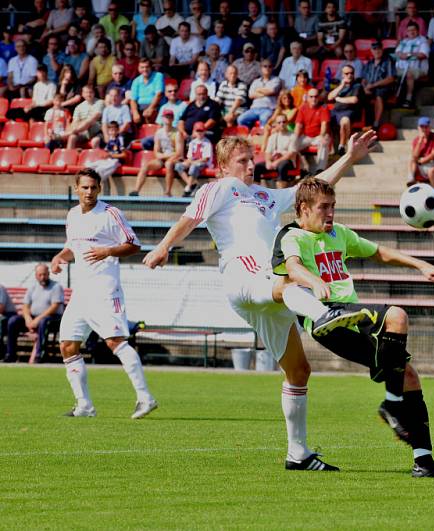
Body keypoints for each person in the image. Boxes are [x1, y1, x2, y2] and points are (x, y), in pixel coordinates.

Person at [144, 132, 378, 472]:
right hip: (244, 274)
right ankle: (325, 313)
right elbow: (191, 217)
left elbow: (312, 188)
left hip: (270, 290)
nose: (250, 165)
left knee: (299, 371)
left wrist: (349, 158)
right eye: (242, 161)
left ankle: (298, 454)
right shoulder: (221, 187)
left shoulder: (265, 196)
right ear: (223, 166)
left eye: (251, 159)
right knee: (285, 280)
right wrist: (164, 246)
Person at [270, 177, 434, 479]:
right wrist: (314, 281)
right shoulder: (291, 236)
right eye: (324, 207)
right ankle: (391, 404)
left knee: (408, 377)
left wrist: (421, 265)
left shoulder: (340, 234)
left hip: (352, 318)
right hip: (329, 319)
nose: (330, 213)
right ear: (303, 208)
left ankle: (424, 462)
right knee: (397, 315)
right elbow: (292, 267)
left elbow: (379, 252)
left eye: (333, 206)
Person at [51, 168, 158, 419]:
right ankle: (84, 405)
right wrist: (59, 257)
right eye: (84, 187)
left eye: (93, 187)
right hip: (81, 293)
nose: (89, 192)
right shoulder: (72, 215)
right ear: (76, 188)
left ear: (100, 188)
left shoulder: (111, 213)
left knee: (115, 341)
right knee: (67, 345)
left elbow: (134, 244)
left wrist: (107, 251)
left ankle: (145, 398)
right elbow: (74, 248)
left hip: (105, 289)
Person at [4, 264, 64, 363]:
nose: (42, 277)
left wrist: (37, 320)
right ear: (36, 275)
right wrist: (28, 319)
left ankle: (40, 355)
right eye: (40, 275)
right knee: (13, 321)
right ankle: (11, 354)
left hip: (52, 319)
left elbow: (54, 306)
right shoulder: (32, 287)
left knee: (44, 322)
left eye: (45, 274)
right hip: (34, 318)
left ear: (48, 274)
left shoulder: (56, 287)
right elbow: (25, 306)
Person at [131, 110, 183, 197]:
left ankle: (168, 192)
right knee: (145, 166)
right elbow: (156, 151)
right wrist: (162, 156)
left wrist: (164, 156)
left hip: (173, 158)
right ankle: (136, 190)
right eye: (166, 117)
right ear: (162, 118)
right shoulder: (159, 133)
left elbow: (178, 152)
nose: (168, 119)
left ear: (173, 119)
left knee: (169, 164)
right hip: (163, 157)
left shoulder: (177, 133)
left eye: (170, 117)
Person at [327, 64, 363, 156]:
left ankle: (342, 146)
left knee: (345, 121)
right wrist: (342, 85)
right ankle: (328, 145)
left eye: (351, 73)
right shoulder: (340, 85)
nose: (349, 75)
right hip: (336, 111)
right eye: (346, 73)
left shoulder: (357, 85)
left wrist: (338, 99)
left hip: (349, 111)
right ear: (342, 75)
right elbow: (330, 97)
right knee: (324, 119)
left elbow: (354, 100)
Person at [293, 88, 331, 173]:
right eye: (311, 96)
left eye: (316, 96)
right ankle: (301, 168)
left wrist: (321, 136)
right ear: (307, 98)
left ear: (319, 97)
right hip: (306, 136)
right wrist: (294, 137)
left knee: (324, 141)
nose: (314, 99)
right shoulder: (303, 108)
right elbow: (298, 125)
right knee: (292, 143)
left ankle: (320, 170)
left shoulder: (323, 107)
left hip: (318, 136)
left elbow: (324, 125)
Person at [256, 114, 297, 187]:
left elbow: (290, 153)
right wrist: (268, 162)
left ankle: (280, 192)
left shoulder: (292, 136)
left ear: (287, 123)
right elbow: (268, 152)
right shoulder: (273, 136)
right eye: (279, 122)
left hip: (288, 161)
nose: (282, 124)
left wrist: (276, 162)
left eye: (284, 122)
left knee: (282, 166)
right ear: (276, 124)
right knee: (257, 167)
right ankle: (255, 192)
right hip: (274, 161)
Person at [238, 59, 281, 128]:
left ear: (272, 68)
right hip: (254, 109)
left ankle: (262, 137)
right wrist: (266, 93)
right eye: (265, 66)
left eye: (270, 66)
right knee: (240, 119)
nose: (267, 68)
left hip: (268, 108)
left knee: (264, 119)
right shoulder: (256, 81)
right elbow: (250, 95)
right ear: (261, 68)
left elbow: (272, 91)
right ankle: (248, 136)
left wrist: (258, 89)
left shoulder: (276, 79)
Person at [395, 22, 429, 108]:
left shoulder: (423, 40)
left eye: (413, 30)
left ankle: (408, 98)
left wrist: (409, 55)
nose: (411, 32)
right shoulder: (404, 41)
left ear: (418, 31)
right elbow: (397, 52)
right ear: (406, 32)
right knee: (390, 74)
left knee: (409, 74)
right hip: (401, 68)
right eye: (409, 30)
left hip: (417, 69)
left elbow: (423, 54)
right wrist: (401, 55)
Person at [176, 122, 214, 197]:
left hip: (203, 163)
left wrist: (193, 162)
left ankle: (187, 188)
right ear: (194, 131)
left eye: (201, 131)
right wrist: (189, 162)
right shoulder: (192, 142)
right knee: (178, 166)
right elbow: (189, 156)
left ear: (204, 131)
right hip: (193, 161)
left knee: (194, 166)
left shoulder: (207, 143)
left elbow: (205, 158)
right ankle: (193, 185)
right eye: (198, 131)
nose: (199, 133)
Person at [65, 85, 104, 149]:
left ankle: (61, 136)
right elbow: (75, 122)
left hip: (96, 130)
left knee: (89, 123)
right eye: (86, 92)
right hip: (83, 132)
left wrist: (81, 126)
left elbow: (94, 118)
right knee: (72, 137)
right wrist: (77, 128)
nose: (89, 94)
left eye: (90, 92)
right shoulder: (79, 107)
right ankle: (70, 156)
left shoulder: (100, 103)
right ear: (82, 94)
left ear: (94, 93)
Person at [129, 58, 164, 125]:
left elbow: (159, 94)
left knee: (149, 114)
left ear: (151, 67)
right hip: (140, 107)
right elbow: (133, 100)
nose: (144, 69)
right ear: (138, 68)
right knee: (129, 116)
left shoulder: (158, 76)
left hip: (155, 105)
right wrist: (135, 112)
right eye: (142, 67)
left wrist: (150, 108)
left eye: (147, 67)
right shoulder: (136, 81)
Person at [407, 116, 434, 187]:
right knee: (412, 159)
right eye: (422, 127)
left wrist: (422, 161)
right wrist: (420, 141)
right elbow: (415, 156)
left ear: (429, 127)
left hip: (432, 163)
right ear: (418, 128)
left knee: (430, 170)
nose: (424, 129)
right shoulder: (416, 140)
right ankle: (411, 179)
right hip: (420, 164)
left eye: (426, 127)